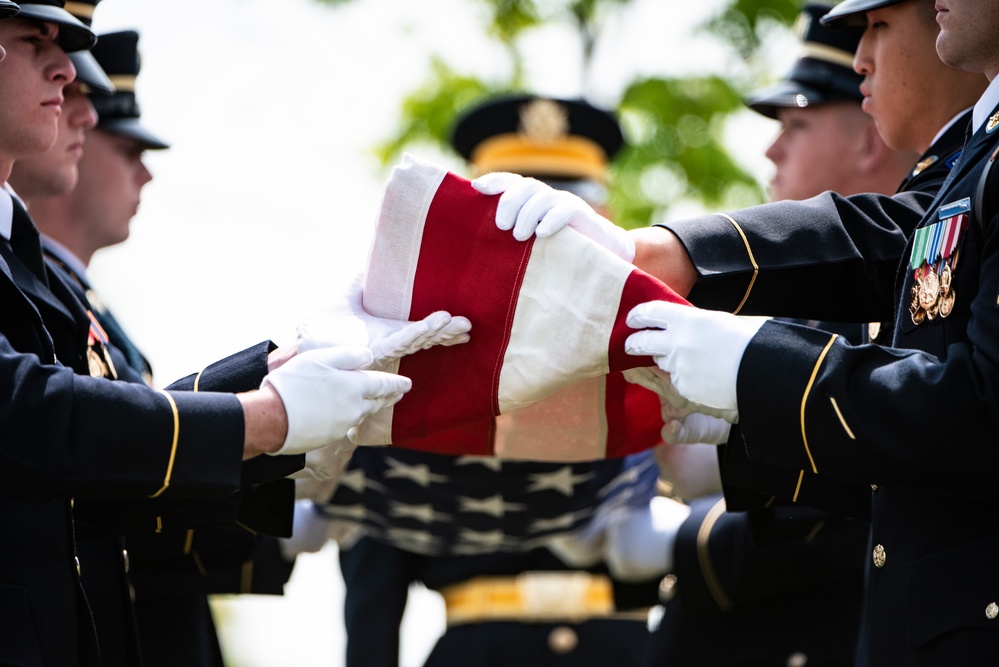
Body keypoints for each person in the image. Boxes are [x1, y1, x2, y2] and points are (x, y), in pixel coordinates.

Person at [476, 0, 999, 662]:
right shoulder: (975, 156)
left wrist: (749, 372)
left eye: (877, 23)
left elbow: (975, 414)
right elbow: (894, 237)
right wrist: (665, 253)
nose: (771, 146)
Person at [0, 4, 467, 664]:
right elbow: (32, 415)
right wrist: (268, 418)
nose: (70, 81)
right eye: (31, 40)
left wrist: (286, 370)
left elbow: (102, 491)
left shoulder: (21, 259)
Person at [295, 95, 671, 667]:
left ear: (602, 212)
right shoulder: (421, 352)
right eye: (523, 210)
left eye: (567, 207)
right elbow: (375, 552)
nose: (545, 234)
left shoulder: (645, 346)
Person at [640, 5, 916, 664]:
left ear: (865, 139)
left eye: (794, 123)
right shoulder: (777, 298)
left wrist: (691, 540)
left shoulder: (907, 290)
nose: (770, 148)